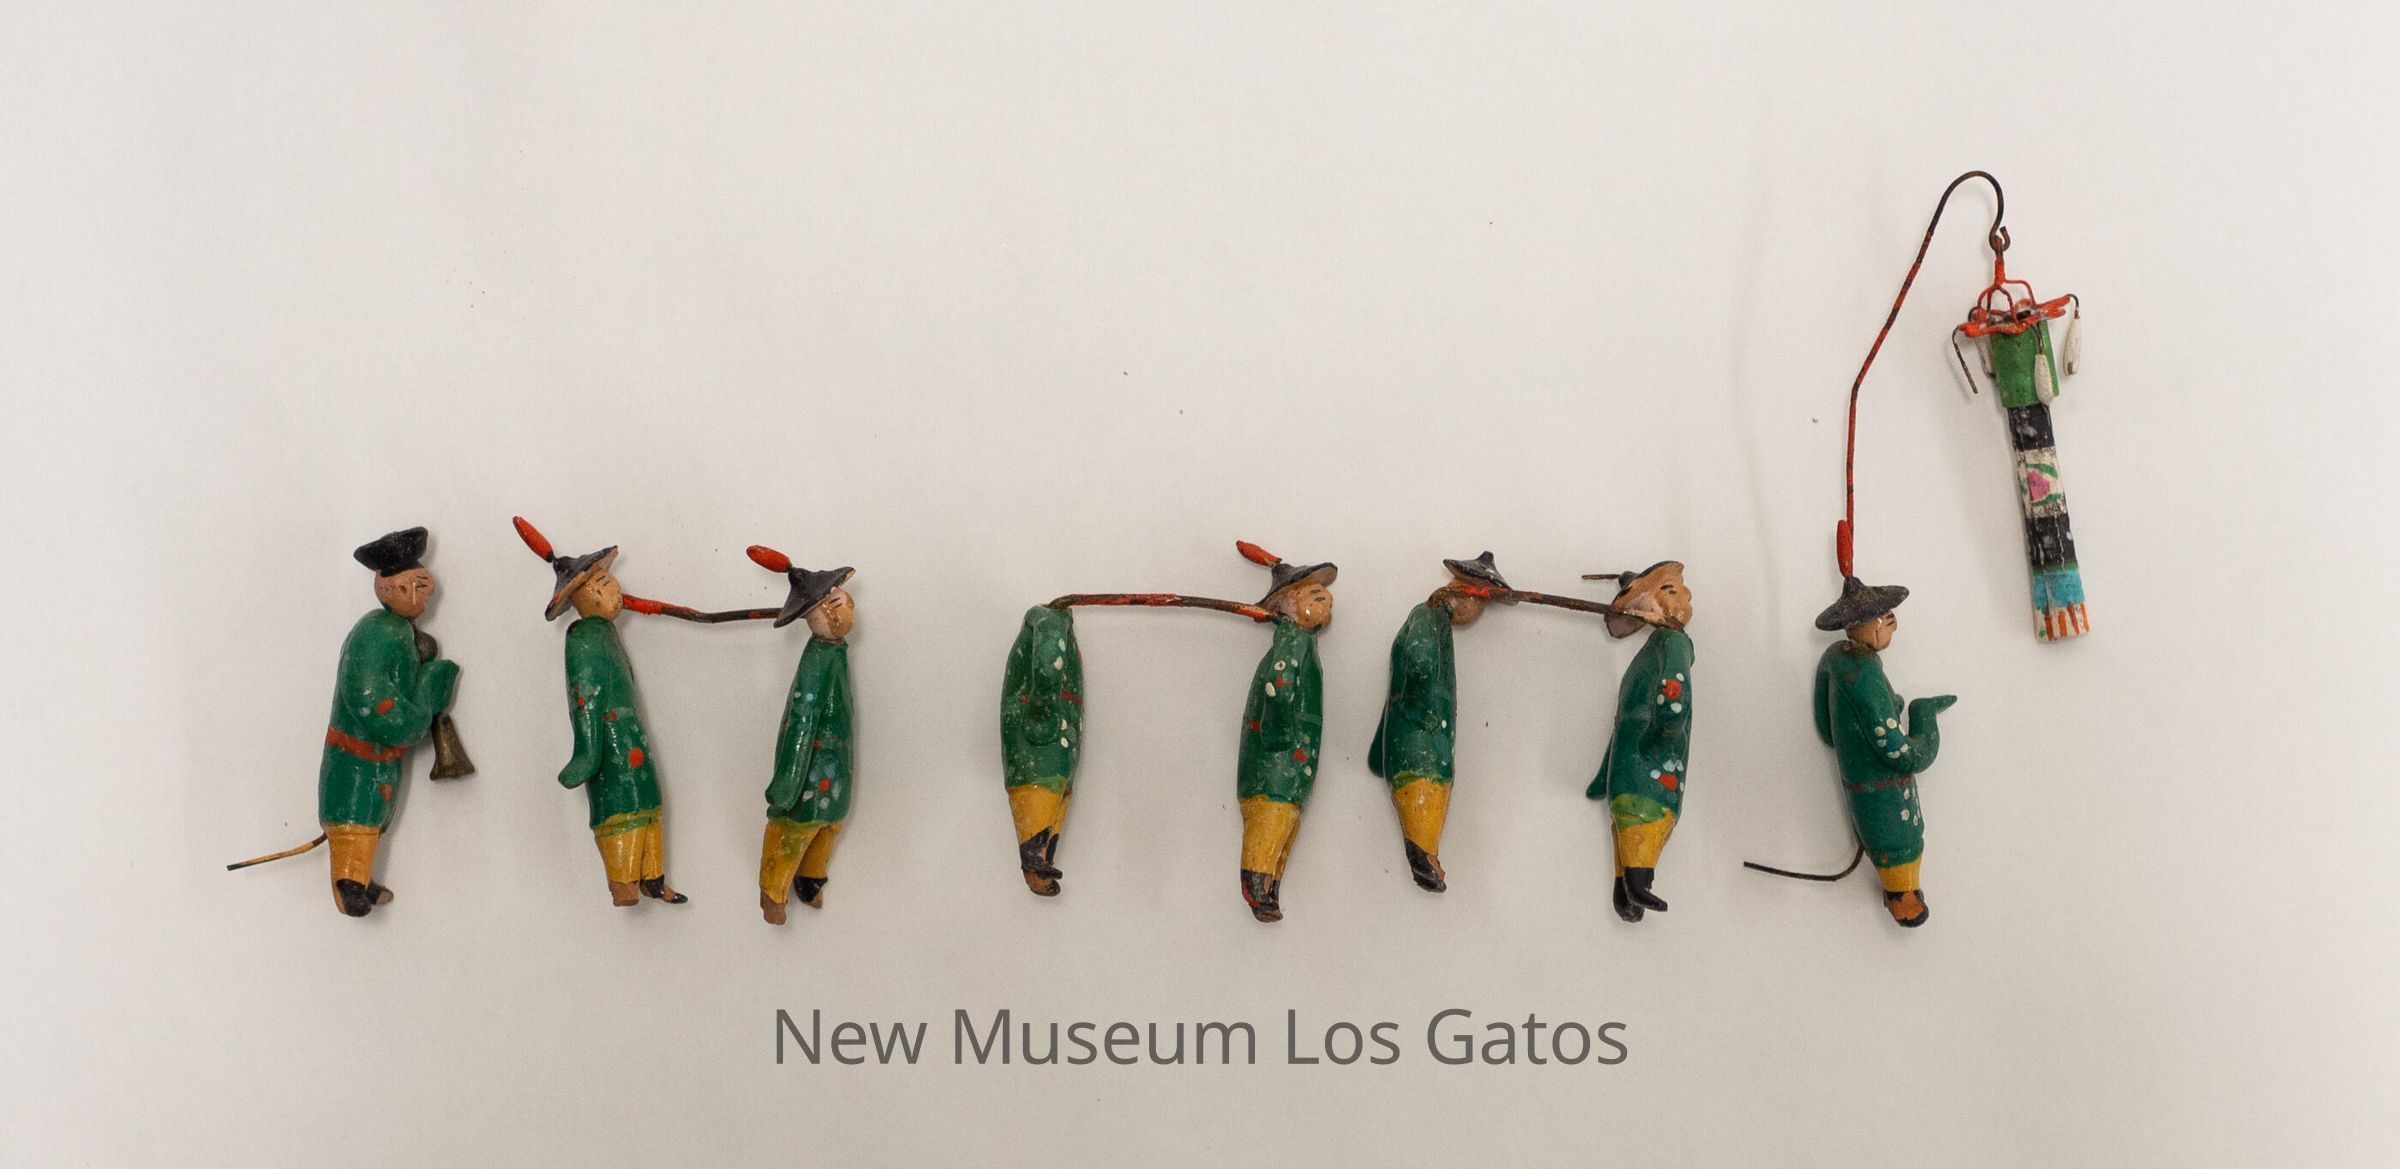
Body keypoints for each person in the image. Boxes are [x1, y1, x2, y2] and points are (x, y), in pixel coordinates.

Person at [313, 527, 460, 916]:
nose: (423, 596)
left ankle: (360, 879)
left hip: (377, 754)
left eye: (424, 587)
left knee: (371, 816)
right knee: (355, 815)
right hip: (358, 752)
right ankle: (348, 887)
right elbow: (367, 694)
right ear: (388, 588)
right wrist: (414, 718)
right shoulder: (377, 631)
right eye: (415, 587)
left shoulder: (396, 630)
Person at [546, 541, 687, 908]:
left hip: (631, 736)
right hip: (611, 744)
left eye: (609, 581)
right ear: (580, 597)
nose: (614, 590)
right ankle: (623, 886)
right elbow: (585, 698)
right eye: (602, 585)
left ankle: (653, 880)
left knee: (647, 802)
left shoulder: (605, 632)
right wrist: (588, 752)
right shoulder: (583, 636)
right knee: (623, 807)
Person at [1812, 576, 1957, 927]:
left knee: (1894, 841)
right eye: (1886, 618)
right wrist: (1923, 721)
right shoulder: (1864, 675)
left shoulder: (1838, 656)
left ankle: (1900, 885)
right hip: (1885, 797)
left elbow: (1826, 727)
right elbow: (1901, 754)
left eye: (1890, 617)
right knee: (1900, 841)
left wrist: (1848, 737)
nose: (1892, 624)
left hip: (1863, 787)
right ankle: (1901, 886)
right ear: (1866, 626)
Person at [1368, 552, 1507, 893]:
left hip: (1419, 735)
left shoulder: (1432, 620)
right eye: (1479, 605)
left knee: (1426, 802)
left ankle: (1426, 860)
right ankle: (1424, 862)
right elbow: (1420, 663)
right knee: (1423, 798)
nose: (1477, 613)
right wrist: (1426, 711)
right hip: (1420, 741)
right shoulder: (1428, 619)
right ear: (1464, 595)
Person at [751, 548, 858, 925]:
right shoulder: (818, 659)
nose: (844, 612)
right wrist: (789, 779)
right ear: (816, 615)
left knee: (828, 822)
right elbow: (802, 716)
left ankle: (810, 882)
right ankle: (772, 894)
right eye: (835, 606)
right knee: (796, 827)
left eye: (844, 603)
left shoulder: (835, 651)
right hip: (811, 768)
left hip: (833, 764)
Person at [1583, 562, 1695, 923]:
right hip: (1646, 758)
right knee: (1637, 819)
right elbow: (1668, 699)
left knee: (1632, 820)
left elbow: (1667, 699)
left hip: (1639, 760)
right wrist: (1664, 732)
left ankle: (1631, 885)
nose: (1686, 597)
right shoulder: (1668, 645)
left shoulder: (1664, 647)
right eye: (1672, 591)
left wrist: (1661, 732)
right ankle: (1632, 884)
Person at [1235, 549, 1336, 923]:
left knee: (1281, 826)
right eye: (1316, 595)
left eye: (1326, 596)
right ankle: (1259, 892)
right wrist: (1282, 741)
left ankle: (1268, 891)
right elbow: (1279, 686)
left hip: (1288, 762)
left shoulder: (1300, 641)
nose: (1327, 601)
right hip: (1277, 763)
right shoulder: (1292, 642)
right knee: (1272, 823)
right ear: (1289, 604)